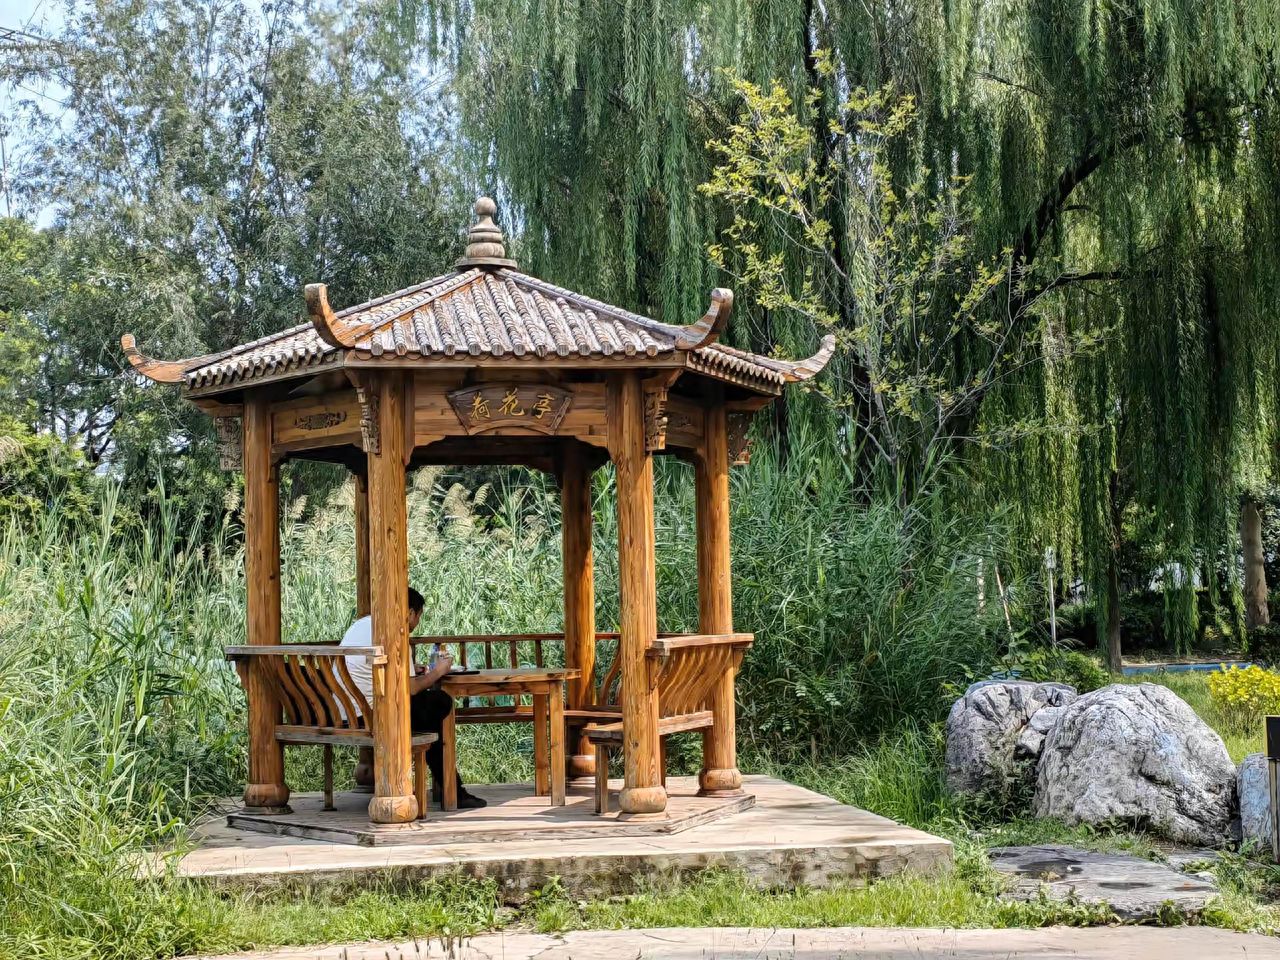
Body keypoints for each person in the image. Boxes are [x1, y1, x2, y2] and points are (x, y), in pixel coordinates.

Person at [339, 587, 487, 809]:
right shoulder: (393, 633)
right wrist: (438, 672)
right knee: (440, 702)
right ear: (409, 613)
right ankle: (451, 790)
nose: (416, 622)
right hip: (371, 716)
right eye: (418, 616)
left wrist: (411, 671)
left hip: (345, 712)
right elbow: (409, 688)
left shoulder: (360, 625)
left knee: (429, 713)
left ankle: (451, 788)